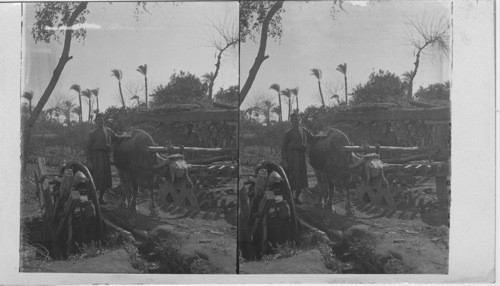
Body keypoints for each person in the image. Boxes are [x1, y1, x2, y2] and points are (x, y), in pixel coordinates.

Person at [281, 113, 325, 204]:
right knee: (291, 177)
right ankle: (290, 198)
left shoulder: (304, 130)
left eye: (297, 120)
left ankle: (297, 198)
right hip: (291, 157)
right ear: (291, 121)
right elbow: (283, 148)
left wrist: (322, 136)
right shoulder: (288, 133)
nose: (295, 121)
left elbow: (312, 137)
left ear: (299, 121)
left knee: (301, 177)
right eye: (293, 120)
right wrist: (284, 160)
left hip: (301, 156)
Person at [85, 113, 118, 205]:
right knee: (94, 178)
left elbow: (116, 137)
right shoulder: (92, 133)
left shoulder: (108, 131)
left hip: (105, 156)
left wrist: (127, 136)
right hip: (95, 157)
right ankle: (92, 198)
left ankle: (100, 198)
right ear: (95, 122)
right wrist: (89, 160)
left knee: (105, 178)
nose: (101, 122)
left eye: (102, 120)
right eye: (98, 121)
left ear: (103, 121)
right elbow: (87, 148)